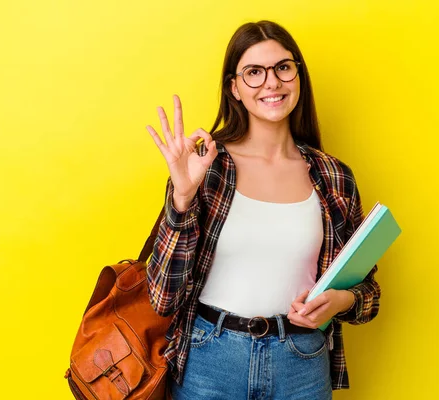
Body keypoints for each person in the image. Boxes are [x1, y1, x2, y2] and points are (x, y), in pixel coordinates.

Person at [145, 20, 381, 399]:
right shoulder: (207, 166)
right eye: (254, 72)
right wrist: (182, 198)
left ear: (298, 76)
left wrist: (340, 301)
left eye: (283, 68)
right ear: (234, 88)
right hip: (210, 361)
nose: (271, 83)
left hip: (302, 362)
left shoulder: (334, 177)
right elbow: (163, 297)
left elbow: (368, 292)